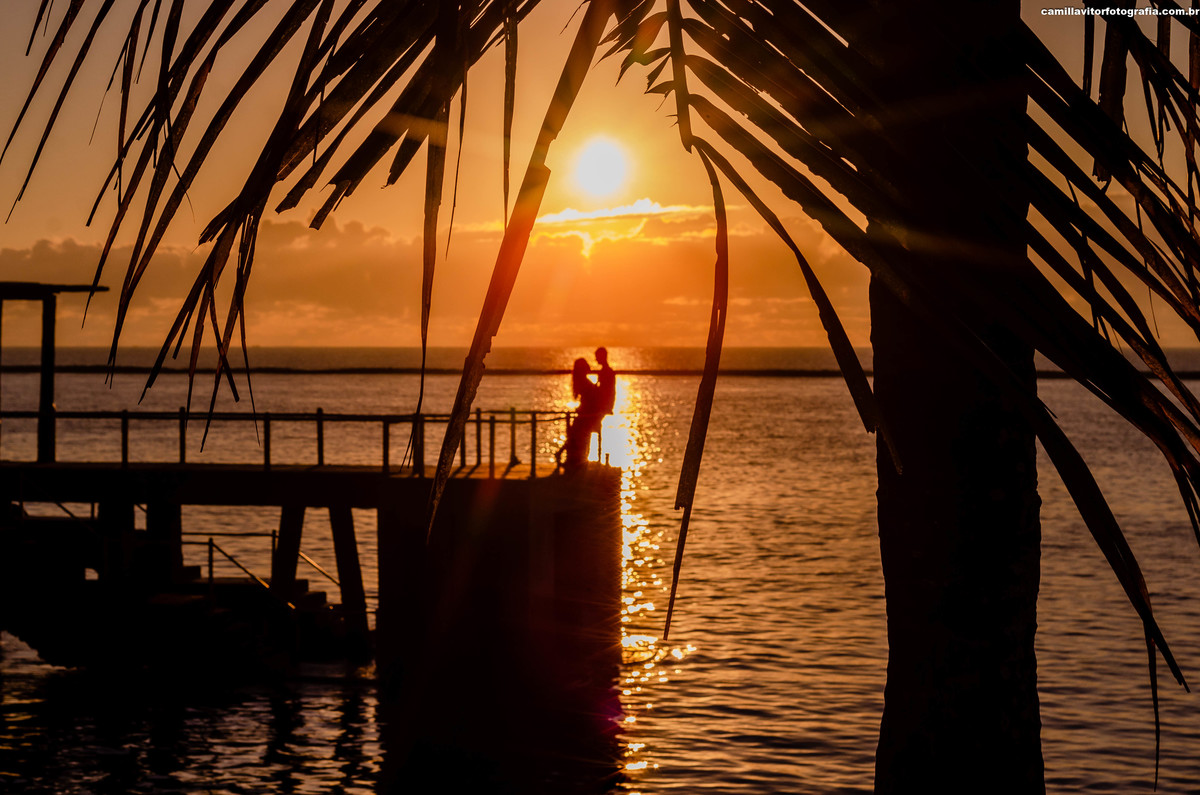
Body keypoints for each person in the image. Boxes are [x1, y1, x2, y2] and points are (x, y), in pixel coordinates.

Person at [563, 357, 602, 471]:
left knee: (578, 438)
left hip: (584, 414)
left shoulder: (580, 381)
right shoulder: (584, 382)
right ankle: (578, 461)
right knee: (582, 439)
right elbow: (590, 398)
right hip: (587, 415)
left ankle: (575, 460)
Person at [595, 347, 615, 418]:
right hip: (605, 404)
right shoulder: (606, 371)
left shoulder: (606, 372)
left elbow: (605, 390)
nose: (596, 359)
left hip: (603, 405)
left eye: (597, 357)